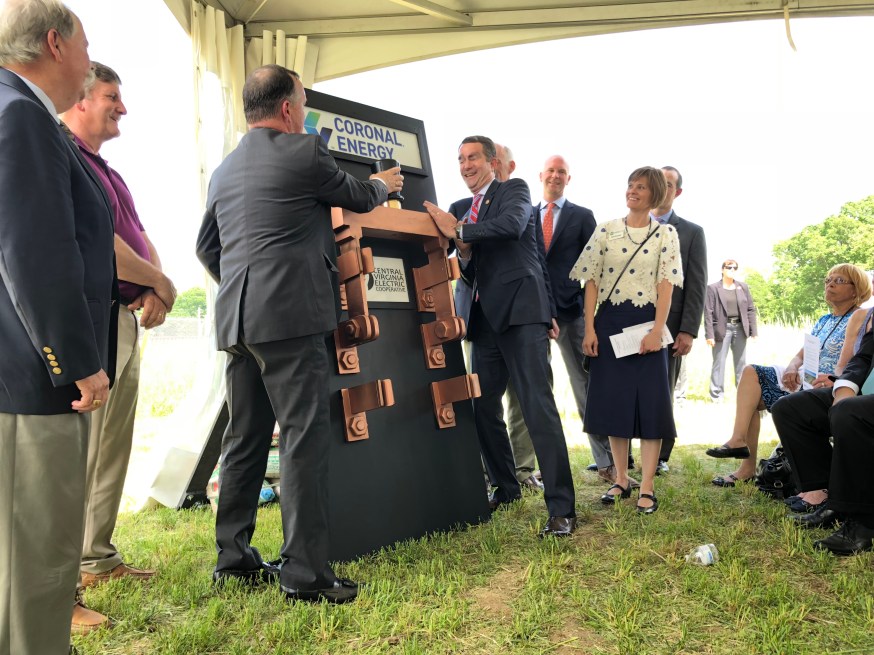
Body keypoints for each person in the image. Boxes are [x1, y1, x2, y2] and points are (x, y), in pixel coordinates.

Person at [195, 64, 403, 604]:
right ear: (289, 108)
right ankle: (305, 574)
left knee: (243, 440)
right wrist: (386, 183)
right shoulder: (306, 152)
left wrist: (246, 287)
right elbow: (357, 196)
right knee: (302, 440)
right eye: (303, 101)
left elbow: (206, 249)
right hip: (289, 321)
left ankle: (234, 560)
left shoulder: (223, 170)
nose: (303, 109)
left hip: (239, 322)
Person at [0, 1, 115, 653]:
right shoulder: (19, 114)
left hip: (21, 382)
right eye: (86, 44)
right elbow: (34, 250)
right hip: (29, 385)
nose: (90, 60)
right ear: (54, 43)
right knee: (34, 570)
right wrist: (77, 357)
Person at [61, 61, 175, 633]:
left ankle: (97, 558)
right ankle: (64, 583)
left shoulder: (106, 169)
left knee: (112, 450)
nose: (122, 108)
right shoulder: (63, 157)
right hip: (91, 321)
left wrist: (155, 283)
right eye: (112, 96)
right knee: (77, 457)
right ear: (81, 98)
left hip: (123, 318)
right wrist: (160, 281)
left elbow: (135, 233)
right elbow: (98, 243)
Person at [424, 135, 577, 538]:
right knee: (482, 405)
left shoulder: (515, 190)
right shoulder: (464, 210)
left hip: (522, 314)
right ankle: (506, 487)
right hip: (482, 320)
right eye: (460, 159)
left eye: (473, 157)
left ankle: (562, 508)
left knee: (536, 406)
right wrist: (464, 249)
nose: (465, 164)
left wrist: (547, 312)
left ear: (493, 162)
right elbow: (471, 271)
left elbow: (512, 230)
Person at [570, 166, 682, 514]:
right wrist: (589, 328)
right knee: (613, 405)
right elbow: (590, 281)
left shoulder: (667, 234)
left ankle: (647, 485)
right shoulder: (605, 230)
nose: (633, 191)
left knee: (651, 406)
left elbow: (667, 286)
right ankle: (621, 478)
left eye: (642, 187)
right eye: (631, 185)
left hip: (648, 324)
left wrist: (655, 330)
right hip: (609, 324)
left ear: (656, 195)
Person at [708, 264, 872, 493]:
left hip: (828, 386)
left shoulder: (860, 318)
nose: (830, 284)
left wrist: (836, 380)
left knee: (759, 392)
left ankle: (747, 458)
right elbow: (801, 354)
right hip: (805, 380)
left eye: (839, 280)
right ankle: (740, 447)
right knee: (751, 373)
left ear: (857, 290)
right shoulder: (824, 320)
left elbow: (853, 364)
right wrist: (792, 368)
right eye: (828, 279)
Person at [771, 327, 874, 555]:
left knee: (850, 413)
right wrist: (844, 389)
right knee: (790, 409)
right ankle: (835, 500)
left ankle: (864, 522)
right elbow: (864, 358)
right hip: (864, 395)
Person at [704, 260, 757, 402]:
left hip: (740, 329)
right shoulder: (713, 288)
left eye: (735, 268)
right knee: (719, 363)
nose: (732, 270)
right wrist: (709, 334)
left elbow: (750, 309)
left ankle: (742, 396)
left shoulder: (743, 287)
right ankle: (716, 396)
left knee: (741, 364)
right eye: (729, 267)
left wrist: (754, 331)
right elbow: (708, 312)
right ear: (722, 269)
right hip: (722, 329)